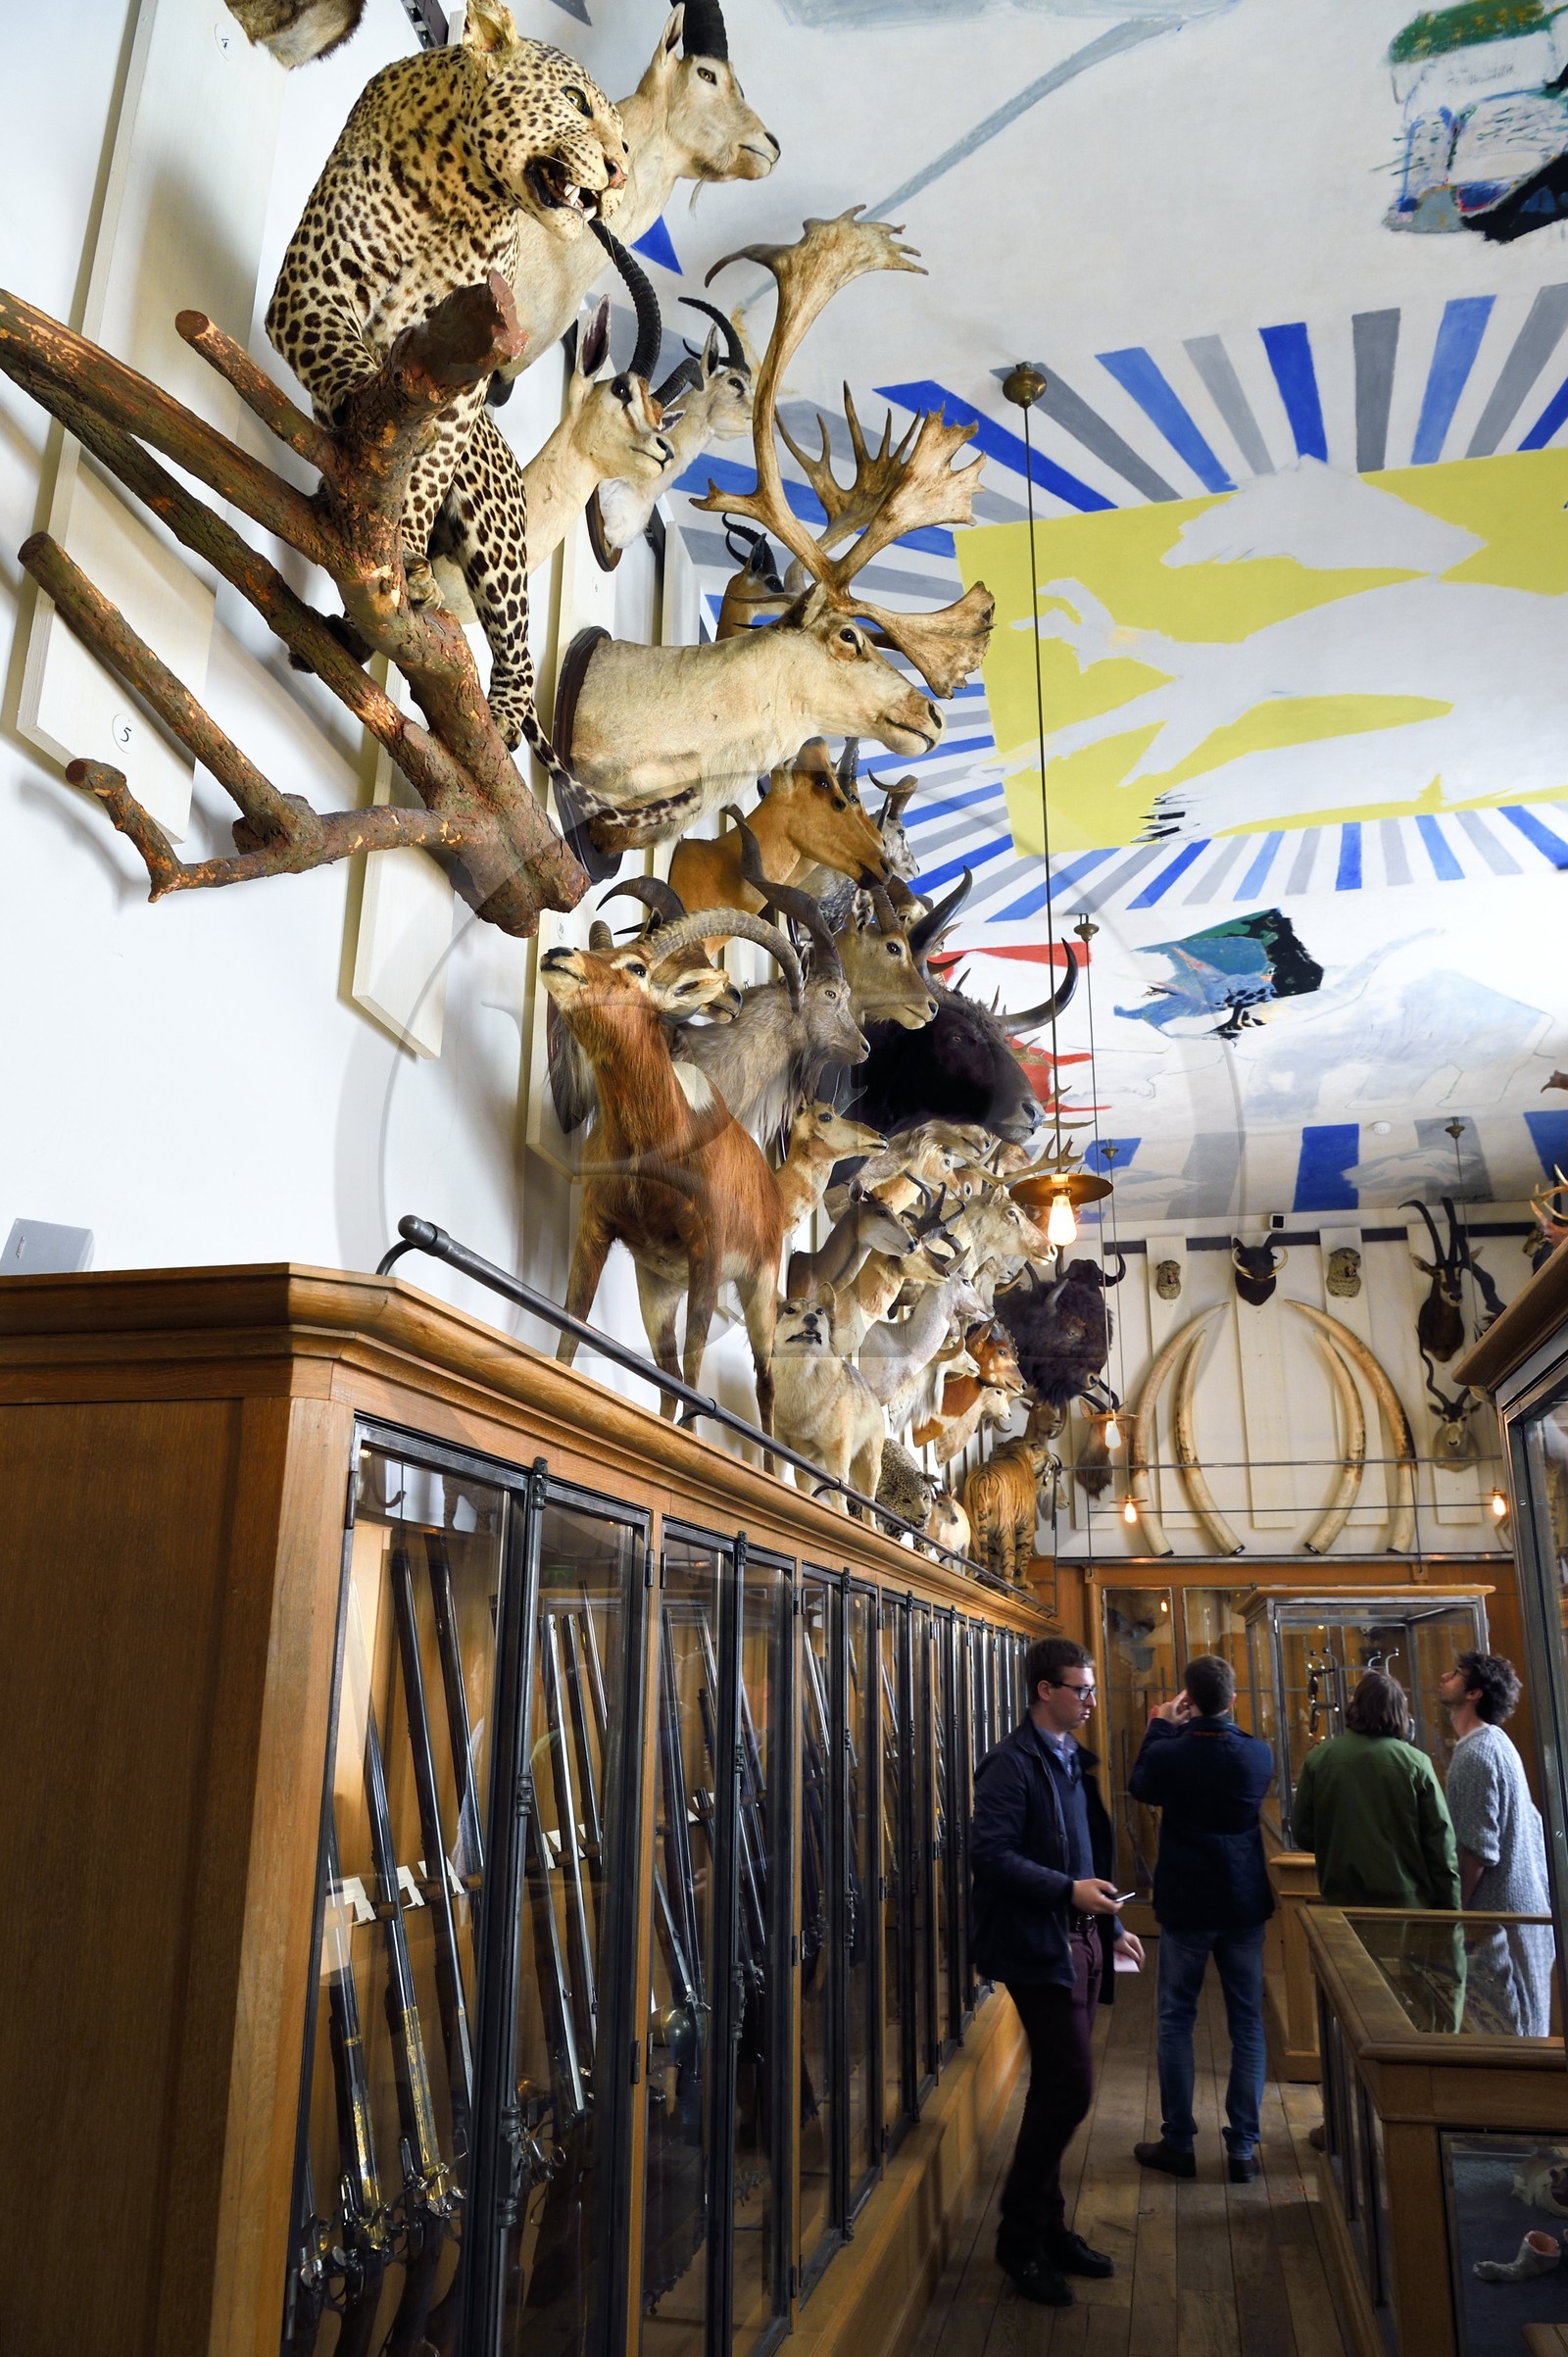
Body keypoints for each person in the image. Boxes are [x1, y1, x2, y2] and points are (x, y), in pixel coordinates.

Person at [970, 1636, 1145, 2308]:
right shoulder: (1012, 1763)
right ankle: (1018, 2237)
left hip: (1079, 1937)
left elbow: (1084, 1851)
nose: (1092, 1700)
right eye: (1082, 1689)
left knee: (1054, 2088)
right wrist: (1067, 1893)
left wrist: (1110, 1922)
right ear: (1046, 1690)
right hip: (1036, 1942)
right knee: (1070, 2088)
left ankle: (1049, 2228)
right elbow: (990, 1853)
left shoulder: (1072, 1758)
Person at [1126, 1653, 1276, 2183]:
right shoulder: (1258, 1755)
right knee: (1247, 2026)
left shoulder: (1172, 1751)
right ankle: (1242, 2148)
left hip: (1188, 1901)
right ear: (1233, 1700)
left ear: (1188, 1699)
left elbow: (1141, 1785)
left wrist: (1161, 1724)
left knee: (1175, 2020)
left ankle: (1179, 2143)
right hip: (1241, 1901)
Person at [1439, 1650, 1554, 2035]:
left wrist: (1456, 1916)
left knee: (1511, 2036)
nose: (1444, 1677)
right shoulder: (1495, 1743)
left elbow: (1476, 1850)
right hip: (1518, 1911)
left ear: (1475, 1693)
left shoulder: (1477, 1751)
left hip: (1498, 1920)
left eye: (1456, 1674)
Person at [1290, 1669, 1460, 1911]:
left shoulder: (1318, 1759)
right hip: (1408, 1903)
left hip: (1342, 1898)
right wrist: (1451, 1914)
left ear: (1355, 1707)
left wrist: (1342, 1847)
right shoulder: (1416, 1763)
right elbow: (1440, 1845)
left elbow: (1303, 1832)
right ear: (1400, 1712)